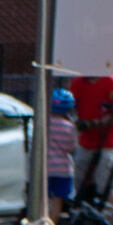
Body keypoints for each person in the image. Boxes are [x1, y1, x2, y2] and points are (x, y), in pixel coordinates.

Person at [69, 68, 113, 211]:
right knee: (80, 180)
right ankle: (82, 215)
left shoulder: (112, 82)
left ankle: (109, 218)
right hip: (85, 142)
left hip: (107, 141)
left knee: (105, 181)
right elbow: (71, 107)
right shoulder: (77, 83)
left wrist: (93, 123)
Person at [45, 87, 77, 216]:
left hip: (45, 168)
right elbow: (72, 148)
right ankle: (54, 223)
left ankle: (43, 223)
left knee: (44, 197)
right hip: (63, 170)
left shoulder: (43, 124)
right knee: (58, 199)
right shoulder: (69, 127)